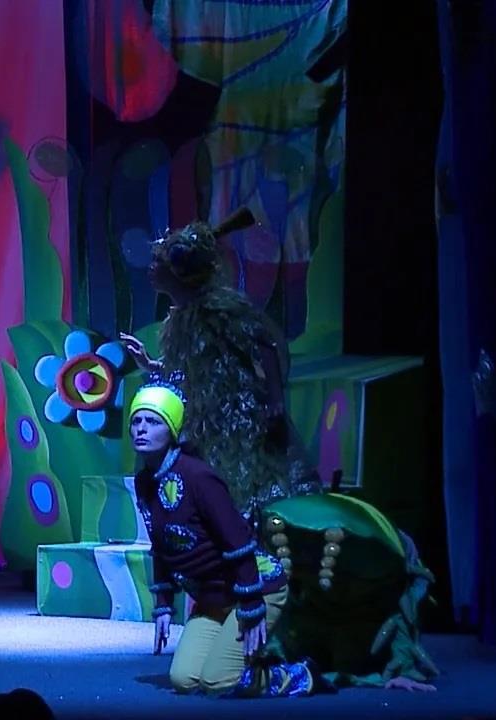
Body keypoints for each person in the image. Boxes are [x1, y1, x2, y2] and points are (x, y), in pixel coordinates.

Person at [120, 209, 321, 516]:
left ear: (178, 272)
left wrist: (275, 397)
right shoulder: (180, 318)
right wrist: (149, 363)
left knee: (251, 478)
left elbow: (264, 343)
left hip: (237, 413)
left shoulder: (218, 309)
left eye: (158, 264)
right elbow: (189, 368)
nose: (151, 269)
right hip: (206, 417)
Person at [128, 375, 320, 697]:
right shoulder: (145, 481)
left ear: (171, 430)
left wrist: (252, 605)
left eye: (153, 421)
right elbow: (161, 546)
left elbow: (239, 542)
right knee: (185, 680)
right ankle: (238, 657)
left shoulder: (198, 477)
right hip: (213, 596)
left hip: (255, 586)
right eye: (136, 421)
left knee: (218, 682)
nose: (141, 429)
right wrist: (163, 604)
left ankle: (296, 675)